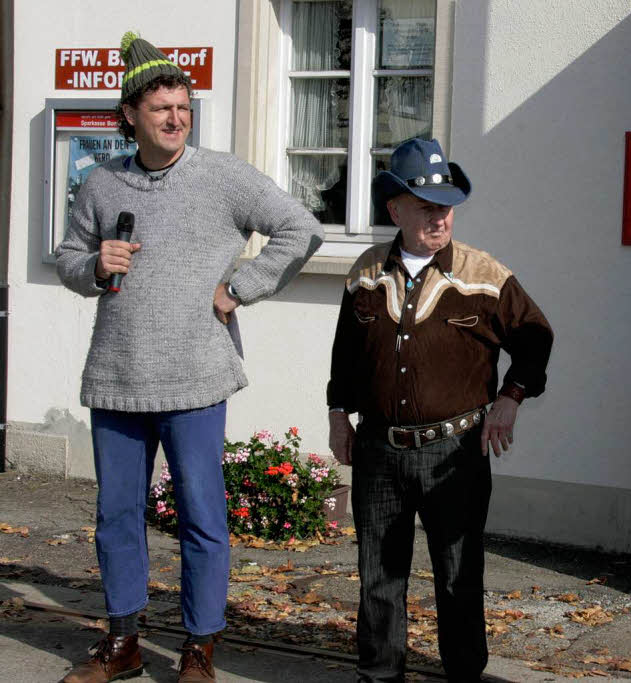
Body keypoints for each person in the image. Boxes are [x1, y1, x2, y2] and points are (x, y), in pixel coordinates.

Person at [55, 32, 323, 683]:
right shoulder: (100, 184)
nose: (175, 118)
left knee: (202, 516)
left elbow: (302, 227)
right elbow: (66, 258)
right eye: (160, 109)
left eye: (183, 107)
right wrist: (94, 264)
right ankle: (123, 643)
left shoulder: (223, 176)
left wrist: (241, 287)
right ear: (129, 115)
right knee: (117, 515)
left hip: (196, 378)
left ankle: (199, 648)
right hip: (118, 377)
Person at [327, 137, 553, 682]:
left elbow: (537, 337)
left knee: (457, 574)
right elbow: (346, 352)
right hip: (380, 448)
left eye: (446, 206)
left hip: (455, 452)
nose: (439, 217)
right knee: (378, 575)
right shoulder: (364, 270)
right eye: (427, 206)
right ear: (396, 209)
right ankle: (380, 673)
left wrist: (510, 397)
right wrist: (339, 413)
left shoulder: (484, 274)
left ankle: (463, 675)